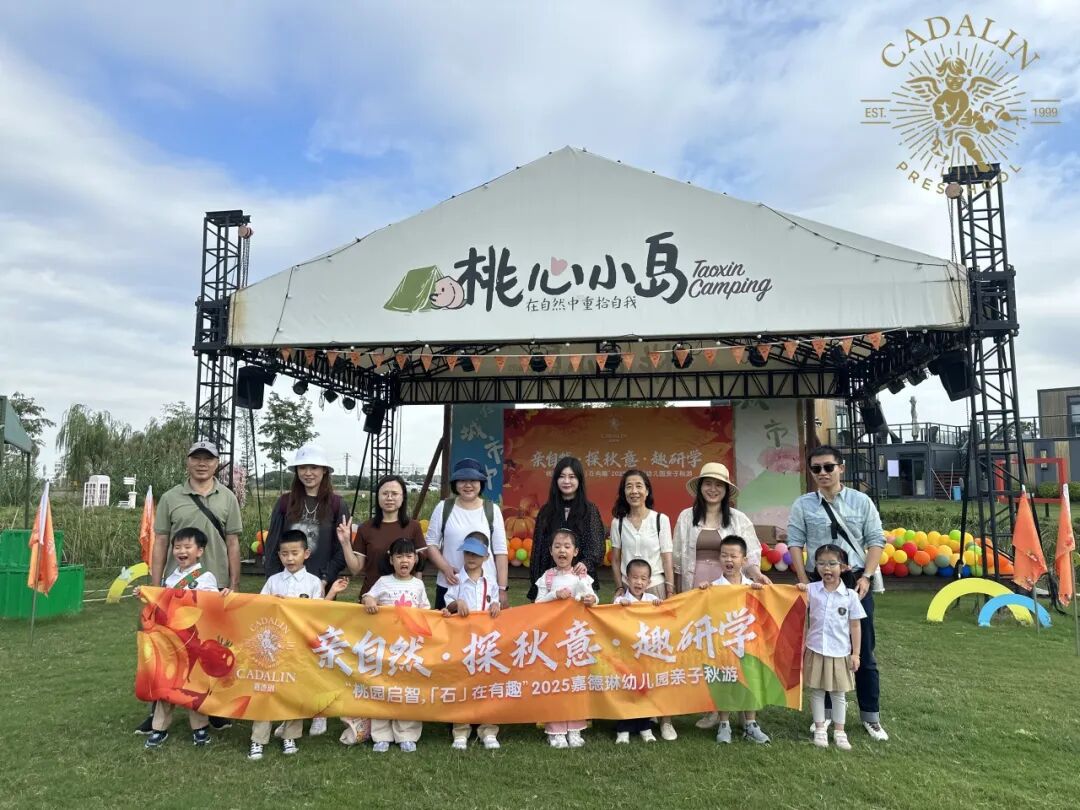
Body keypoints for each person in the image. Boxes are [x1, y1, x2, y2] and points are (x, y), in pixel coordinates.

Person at [787, 444, 889, 742]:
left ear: (841, 468)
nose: (823, 473)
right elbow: (795, 542)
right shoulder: (803, 505)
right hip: (818, 583)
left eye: (828, 467)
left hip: (855, 580)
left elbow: (876, 540)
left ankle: (871, 716)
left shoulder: (861, 501)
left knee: (863, 649)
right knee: (823, 646)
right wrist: (804, 580)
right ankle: (828, 714)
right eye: (816, 468)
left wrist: (867, 576)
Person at [143, 441, 241, 734]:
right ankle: (159, 709)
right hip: (178, 589)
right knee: (169, 649)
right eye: (196, 458)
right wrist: (155, 585)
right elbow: (161, 541)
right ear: (187, 462)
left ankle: (213, 710)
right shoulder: (172, 497)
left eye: (208, 459)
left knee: (212, 649)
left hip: (214, 587)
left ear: (216, 463)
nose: (202, 464)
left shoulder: (228, 498)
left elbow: (233, 542)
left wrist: (234, 583)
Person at [673, 462, 768, 732]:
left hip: (730, 593)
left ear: (726, 490)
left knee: (734, 645)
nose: (712, 489)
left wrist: (757, 575)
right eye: (708, 484)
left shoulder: (738, 519)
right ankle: (713, 708)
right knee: (707, 647)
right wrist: (678, 594)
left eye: (718, 485)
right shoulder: (686, 517)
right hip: (698, 590)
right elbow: (678, 559)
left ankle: (743, 706)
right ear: (700, 487)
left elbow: (751, 556)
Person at [248, 530, 349, 760]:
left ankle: (290, 735)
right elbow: (258, 608)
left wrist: (332, 592)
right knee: (266, 690)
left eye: (295, 553)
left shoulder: (313, 582)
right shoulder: (273, 581)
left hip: (300, 647)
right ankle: (258, 739)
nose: (290, 558)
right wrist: (271, 604)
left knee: (294, 690)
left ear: (306, 554)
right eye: (285, 554)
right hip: (273, 648)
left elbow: (319, 613)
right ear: (279, 556)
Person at [142, 527, 230, 749]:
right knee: (166, 682)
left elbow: (211, 604)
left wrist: (222, 596)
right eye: (177, 547)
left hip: (193, 639)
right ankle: (159, 728)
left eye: (187, 547)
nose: (182, 551)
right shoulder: (170, 578)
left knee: (194, 683)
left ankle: (200, 728)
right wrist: (145, 596)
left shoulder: (206, 577)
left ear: (200, 551)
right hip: (170, 641)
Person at [609, 468, 677, 741]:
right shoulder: (618, 522)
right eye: (629, 486)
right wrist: (619, 586)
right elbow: (616, 558)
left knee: (659, 656)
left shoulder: (661, 520)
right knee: (630, 656)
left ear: (647, 490)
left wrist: (669, 589)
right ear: (623, 492)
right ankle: (632, 713)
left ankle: (665, 719)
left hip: (656, 590)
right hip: (629, 596)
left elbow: (667, 557)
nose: (634, 491)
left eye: (639, 486)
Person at [696, 536, 770, 745]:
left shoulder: (752, 587)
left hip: (748, 644)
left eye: (733, 556)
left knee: (751, 681)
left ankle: (751, 724)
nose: (728, 560)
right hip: (724, 645)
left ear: (744, 560)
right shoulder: (714, 587)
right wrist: (704, 592)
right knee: (724, 682)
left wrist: (762, 592)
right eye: (724, 555)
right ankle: (724, 723)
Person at [362, 538, 430, 753]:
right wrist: (369, 600)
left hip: (410, 648)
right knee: (383, 687)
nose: (404, 560)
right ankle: (381, 734)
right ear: (391, 560)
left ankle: (407, 733)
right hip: (386, 646)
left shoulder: (418, 585)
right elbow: (368, 596)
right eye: (399, 556)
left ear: (415, 559)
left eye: (409, 556)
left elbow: (426, 611)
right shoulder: (383, 582)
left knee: (407, 689)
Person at [797, 544, 865, 751]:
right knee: (817, 691)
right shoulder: (811, 590)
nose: (826, 568)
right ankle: (819, 728)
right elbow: (793, 601)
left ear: (843, 567)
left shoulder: (850, 596)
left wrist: (856, 654)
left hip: (840, 652)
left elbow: (855, 625)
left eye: (832, 564)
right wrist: (798, 589)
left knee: (838, 693)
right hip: (816, 648)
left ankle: (839, 731)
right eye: (821, 563)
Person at [534, 528, 597, 748]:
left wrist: (591, 599)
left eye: (567, 546)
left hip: (576, 638)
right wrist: (554, 595)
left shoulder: (582, 576)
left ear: (575, 551)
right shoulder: (547, 578)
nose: (562, 550)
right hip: (553, 639)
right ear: (551, 551)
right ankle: (556, 729)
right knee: (555, 682)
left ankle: (575, 727)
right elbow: (537, 604)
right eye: (558, 546)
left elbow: (593, 598)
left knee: (576, 682)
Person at [441, 532, 502, 750]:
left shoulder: (490, 582)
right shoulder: (457, 580)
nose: (471, 557)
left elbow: (495, 604)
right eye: (467, 553)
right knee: (462, 683)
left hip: (486, 642)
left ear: (486, 556)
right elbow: (447, 606)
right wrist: (456, 604)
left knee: (487, 683)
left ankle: (489, 729)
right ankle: (460, 729)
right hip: (463, 641)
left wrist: (496, 605)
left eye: (476, 554)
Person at [264, 443, 349, 592]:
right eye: (303, 467)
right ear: (297, 470)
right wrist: (274, 581)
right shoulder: (285, 502)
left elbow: (342, 550)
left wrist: (325, 579)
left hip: (322, 585)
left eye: (314, 467)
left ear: (324, 470)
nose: (308, 473)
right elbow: (272, 546)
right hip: (286, 586)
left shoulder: (337, 504)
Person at [425, 458, 509, 610]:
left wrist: (502, 589)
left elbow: (501, 551)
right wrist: (445, 568)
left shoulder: (492, 510)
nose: (468, 485)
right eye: (462, 480)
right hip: (449, 585)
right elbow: (431, 543)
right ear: (455, 483)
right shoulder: (443, 508)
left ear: (481, 483)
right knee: (446, 625)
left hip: (484, 588)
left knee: (483, 627)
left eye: (473, 480)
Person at [527, 457, 606, 601]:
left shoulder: (589, 510)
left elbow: (597, 545)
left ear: (579, 480)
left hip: (580, 582)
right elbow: (538, 550)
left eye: (572, 477)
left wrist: (586, 563)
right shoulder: (546, 511)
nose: (566, 481)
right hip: (551, 583)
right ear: (556, 480)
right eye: (562, 476)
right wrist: (537, 584)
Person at [338, 474, 426, 595]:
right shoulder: (365, 528)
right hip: (372, 597)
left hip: (404, 597)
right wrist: (345, 543)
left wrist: (417, 594)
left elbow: (419, 566)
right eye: (385, 493)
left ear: (403, 497)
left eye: (394, 494)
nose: (389, 498)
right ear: (378, 497)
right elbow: (355, 569)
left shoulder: (414, 527)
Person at [613, 558, 660, 744]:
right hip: (626, 655)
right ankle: (623, 728)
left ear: (649, 582)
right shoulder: (620, 600)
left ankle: (644, 727)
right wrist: (620, 607)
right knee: (625, 690)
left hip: (645, 656)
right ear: (627, 579)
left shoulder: (651, 600)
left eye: (643, 578)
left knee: (644, 690)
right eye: (634, 577)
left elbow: (662, 619)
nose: (638, 582)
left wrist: (659, 606)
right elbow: (611, 618)